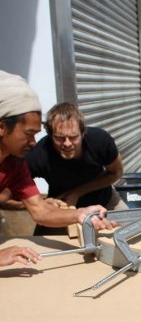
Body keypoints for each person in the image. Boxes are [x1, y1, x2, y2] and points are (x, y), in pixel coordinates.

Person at [0, 70, 113, 267]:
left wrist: (81, 214)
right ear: (2, 128)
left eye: (36, 134)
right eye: (28, 133)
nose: (33, 142)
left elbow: (41, 210)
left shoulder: (15, 164)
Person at [24, 102, 127, 235]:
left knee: (135, 234)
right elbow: (9, 195)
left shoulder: (100, 141)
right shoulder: (38, 155)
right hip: (61, 209)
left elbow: (116, 173)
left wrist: (77, 192)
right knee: (41, 249)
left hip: (105, 202)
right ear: (50, 135)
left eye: (73, 137)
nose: (67, 143)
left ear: (83, 133)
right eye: (59, 138)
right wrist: (42, 203)